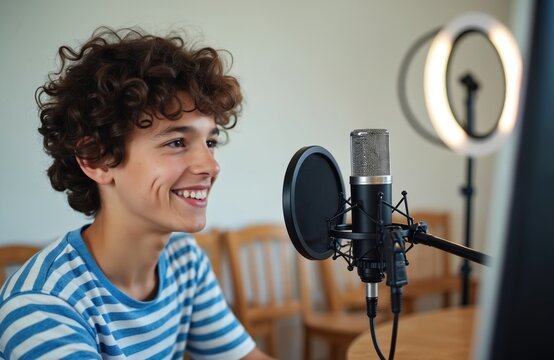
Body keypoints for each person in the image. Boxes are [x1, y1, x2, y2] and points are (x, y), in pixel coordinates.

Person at [0, 27, 272, 360]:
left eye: (210, 142)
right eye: (176, 142)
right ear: (96, 159)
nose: (211, 166)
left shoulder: (184, 261)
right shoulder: (43, 307)